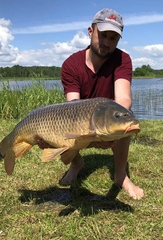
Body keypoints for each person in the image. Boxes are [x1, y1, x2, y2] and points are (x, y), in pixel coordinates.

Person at [60, 8, 143, 200]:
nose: (106, 42)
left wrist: (106, 129)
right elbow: (72, 107)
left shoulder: (123, 59)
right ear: (91, 32)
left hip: (107, 117)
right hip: (81, 119)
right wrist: (91, 133)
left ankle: (120, 175)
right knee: (63, 124)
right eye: (103, 35)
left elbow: (123, 98)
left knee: (125, 116)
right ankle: (76, 164)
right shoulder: (71, 65)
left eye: (113, 38)